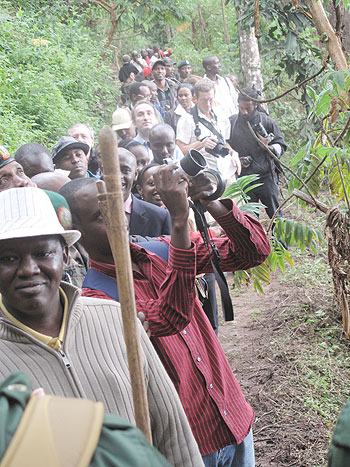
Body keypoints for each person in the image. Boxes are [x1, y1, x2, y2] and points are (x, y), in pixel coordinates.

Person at [61, 166, 270, 466]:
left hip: (234, 419)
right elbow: (171, 316)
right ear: (76, 233)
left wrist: (208, 199)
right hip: (186, 447)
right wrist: (180, 222)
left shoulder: (160, 250)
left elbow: (252, 252)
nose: (117, 220)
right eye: (100, 216)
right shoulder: (96, 301)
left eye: (116, 208)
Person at [0, 186, 202, 467]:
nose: (28, 269)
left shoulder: (117, 319)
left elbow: (172, 432)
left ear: (66, 255)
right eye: (8, 258)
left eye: (43, 253)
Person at [228, 88, 286, 218]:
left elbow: (281, 145)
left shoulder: (267, 122)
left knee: (275, 214)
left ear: (255, 105)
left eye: (248, 108)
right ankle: (254, 239)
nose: (244, 112)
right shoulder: (231, 122)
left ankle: (279, 238)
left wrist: (268, 147)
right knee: (250, 218)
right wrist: (235, 156)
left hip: (266, 177)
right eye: (241, 108)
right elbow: (226, 144)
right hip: (244, 179)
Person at [176, 79, 241, 177]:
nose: (208, 104)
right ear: (195, 98)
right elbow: (180, 151)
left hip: (228, 171)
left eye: (210, 99)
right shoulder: (186, 120)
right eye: (203, 100)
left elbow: (225, 141)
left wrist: (233, 153)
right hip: (205, 176)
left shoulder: (221, 114)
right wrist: (202, 144)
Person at [116, 148, 171, 236]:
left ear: (135, 174)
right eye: (111, 170)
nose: (118, 176)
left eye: (125, 170)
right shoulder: (91, 211)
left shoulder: (160, 217)